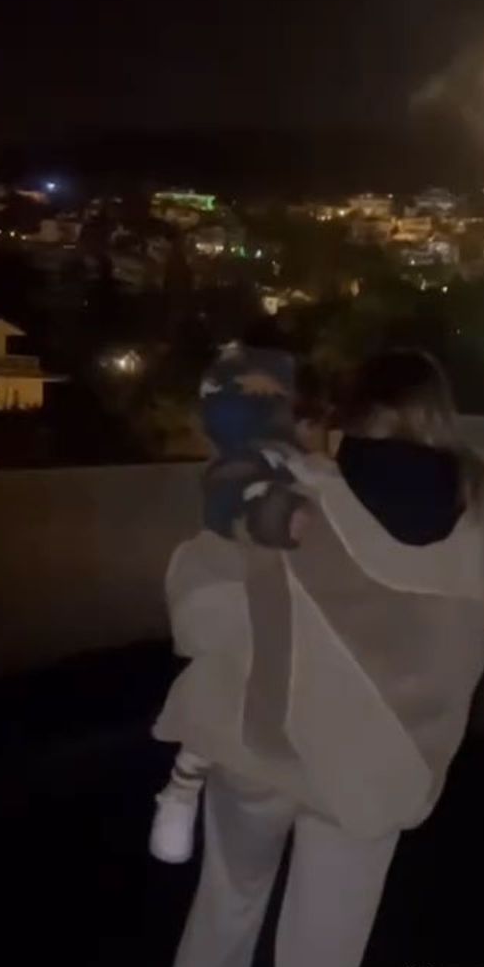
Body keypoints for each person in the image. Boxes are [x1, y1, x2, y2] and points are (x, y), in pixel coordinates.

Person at [147, 348, 484, 967]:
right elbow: (458, 654)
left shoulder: (291, 494)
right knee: (325, 947)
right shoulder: (467, 521)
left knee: (229, 900)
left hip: (264, 742)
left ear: (345, 414)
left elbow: (202, 605)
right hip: (374, 771)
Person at [149, 343, 327, 864]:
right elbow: (240, 499)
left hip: (264, 593)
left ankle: (184, 786)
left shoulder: (282, 460)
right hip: (236, 589)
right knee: (229, 674)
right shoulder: (246, 465)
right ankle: (182, 787)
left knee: (240, 677)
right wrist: (280, 516)